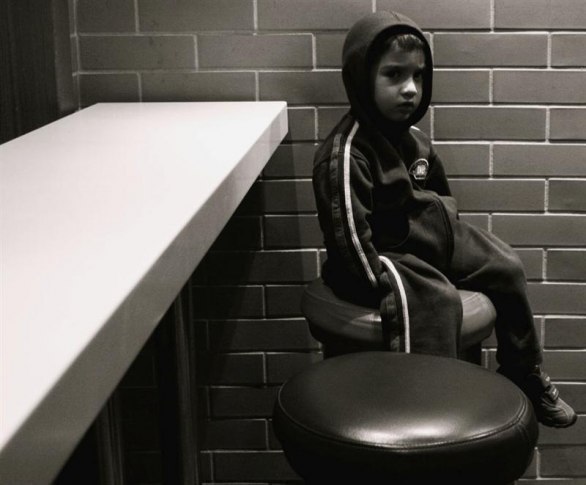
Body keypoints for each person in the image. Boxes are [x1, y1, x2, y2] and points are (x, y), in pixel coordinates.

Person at [312, 10, 577, 428]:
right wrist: (385, 284)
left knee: (506, 265)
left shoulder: (416, 141)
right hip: (385, 257)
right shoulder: (347, 152)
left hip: (430, 244)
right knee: (436, 300)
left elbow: (441, 198)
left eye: (418, 76)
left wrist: (452, 241)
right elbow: (349, 238)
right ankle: (427, 407)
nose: (410, 89)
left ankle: (522, 370)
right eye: (394, 75)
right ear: (361, 78)